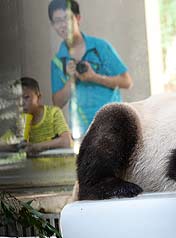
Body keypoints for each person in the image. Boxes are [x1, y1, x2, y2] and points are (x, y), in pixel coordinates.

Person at [48, 0, 133, 140]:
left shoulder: (100, 47)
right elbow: (57, 102)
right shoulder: (57, 61)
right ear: (53, 25)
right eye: (57, 21)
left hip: (112, 125)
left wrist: (94, 77)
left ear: (78, 18)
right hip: (81, 133)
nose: (63, 25)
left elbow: (127, 82)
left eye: (67, 18)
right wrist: (72, 78)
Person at [4, 77, 72, 155]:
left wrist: (36, 147)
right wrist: (15, 145)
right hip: (36, 166)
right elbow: (4, 144)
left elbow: (66, 142)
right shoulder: (20, 121)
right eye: (17, 98)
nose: (21, 103)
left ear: (38, 98)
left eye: (26, 97)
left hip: (58, 164)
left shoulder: (53, 113)